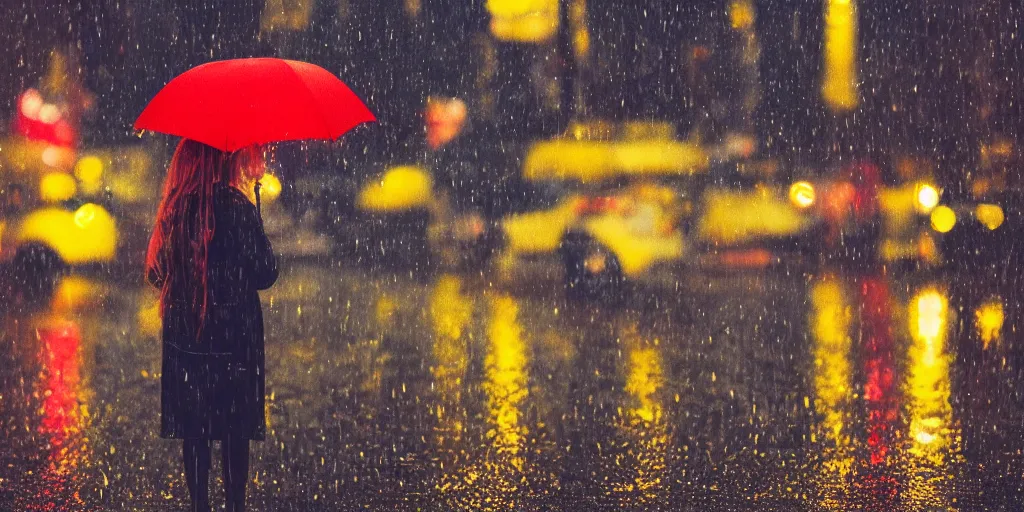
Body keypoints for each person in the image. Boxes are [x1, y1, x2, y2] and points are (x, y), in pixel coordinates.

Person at [145, 139, 278, 512]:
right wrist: (258, 221)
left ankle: (200, 504)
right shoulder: (238, 208)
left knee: (195, 429)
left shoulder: (176, 211)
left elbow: (157, 273)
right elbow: (266, 274)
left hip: (189, 336)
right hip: (236, 336)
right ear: (223, 162)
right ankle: (235, 504)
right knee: (235, 430)